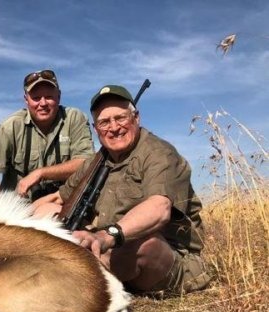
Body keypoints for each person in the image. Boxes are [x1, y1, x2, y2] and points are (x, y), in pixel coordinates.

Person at [34, 84, 212, 296]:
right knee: (45, 213)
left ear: (136, 118)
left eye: (120, 118)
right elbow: (58, 199)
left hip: (164, 256)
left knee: (143, 244)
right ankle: (83, 272)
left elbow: (159, 208)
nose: (114, 127)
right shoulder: (95, 162)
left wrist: (105, 237)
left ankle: (76, 278)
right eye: (104, 122)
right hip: (108, 248)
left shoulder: (159, 153)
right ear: (95, 128)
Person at [0, 70, 94, 201]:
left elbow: (86, 163)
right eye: (36, 98)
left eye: (49, 96)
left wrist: (40, 173)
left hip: (62, 203)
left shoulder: (74, 118)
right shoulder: (10, 126)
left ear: (59, 96)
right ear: (26, 99)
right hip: (19, 210)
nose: (43, 103)